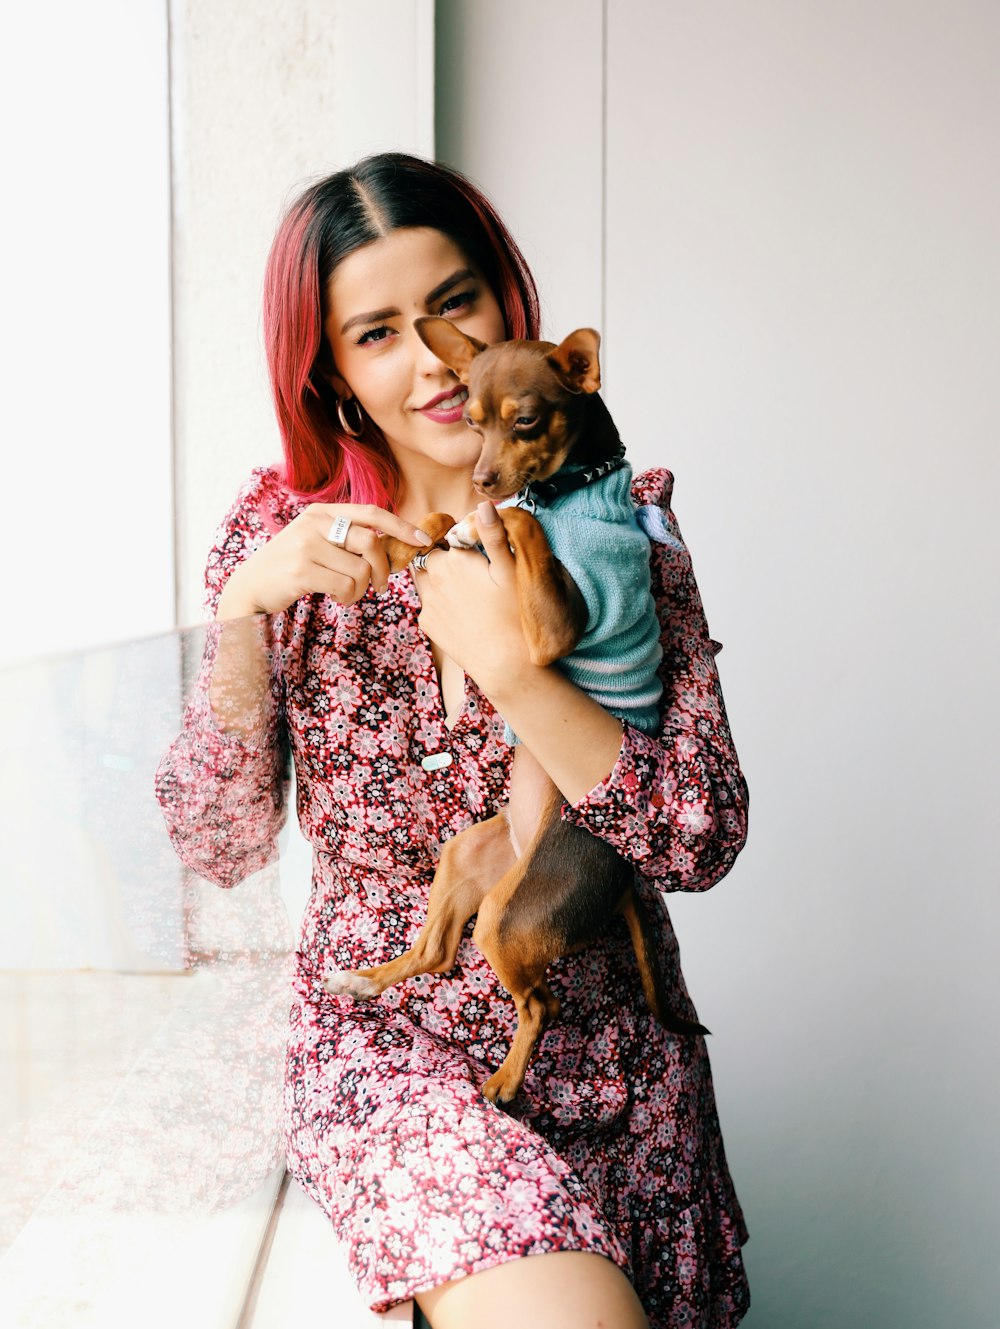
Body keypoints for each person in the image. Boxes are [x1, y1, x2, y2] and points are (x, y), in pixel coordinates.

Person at [156, 152, 750, 1329]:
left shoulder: (620, 520)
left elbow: (699, 835)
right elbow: (214, 845)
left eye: (454, 305)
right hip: (388, 1058)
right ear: (327, 367)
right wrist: (237, 622)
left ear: (506, 311)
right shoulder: (280, 536)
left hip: (610, 1066)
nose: (430, 359)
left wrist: (516, 671)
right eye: (375, 332)